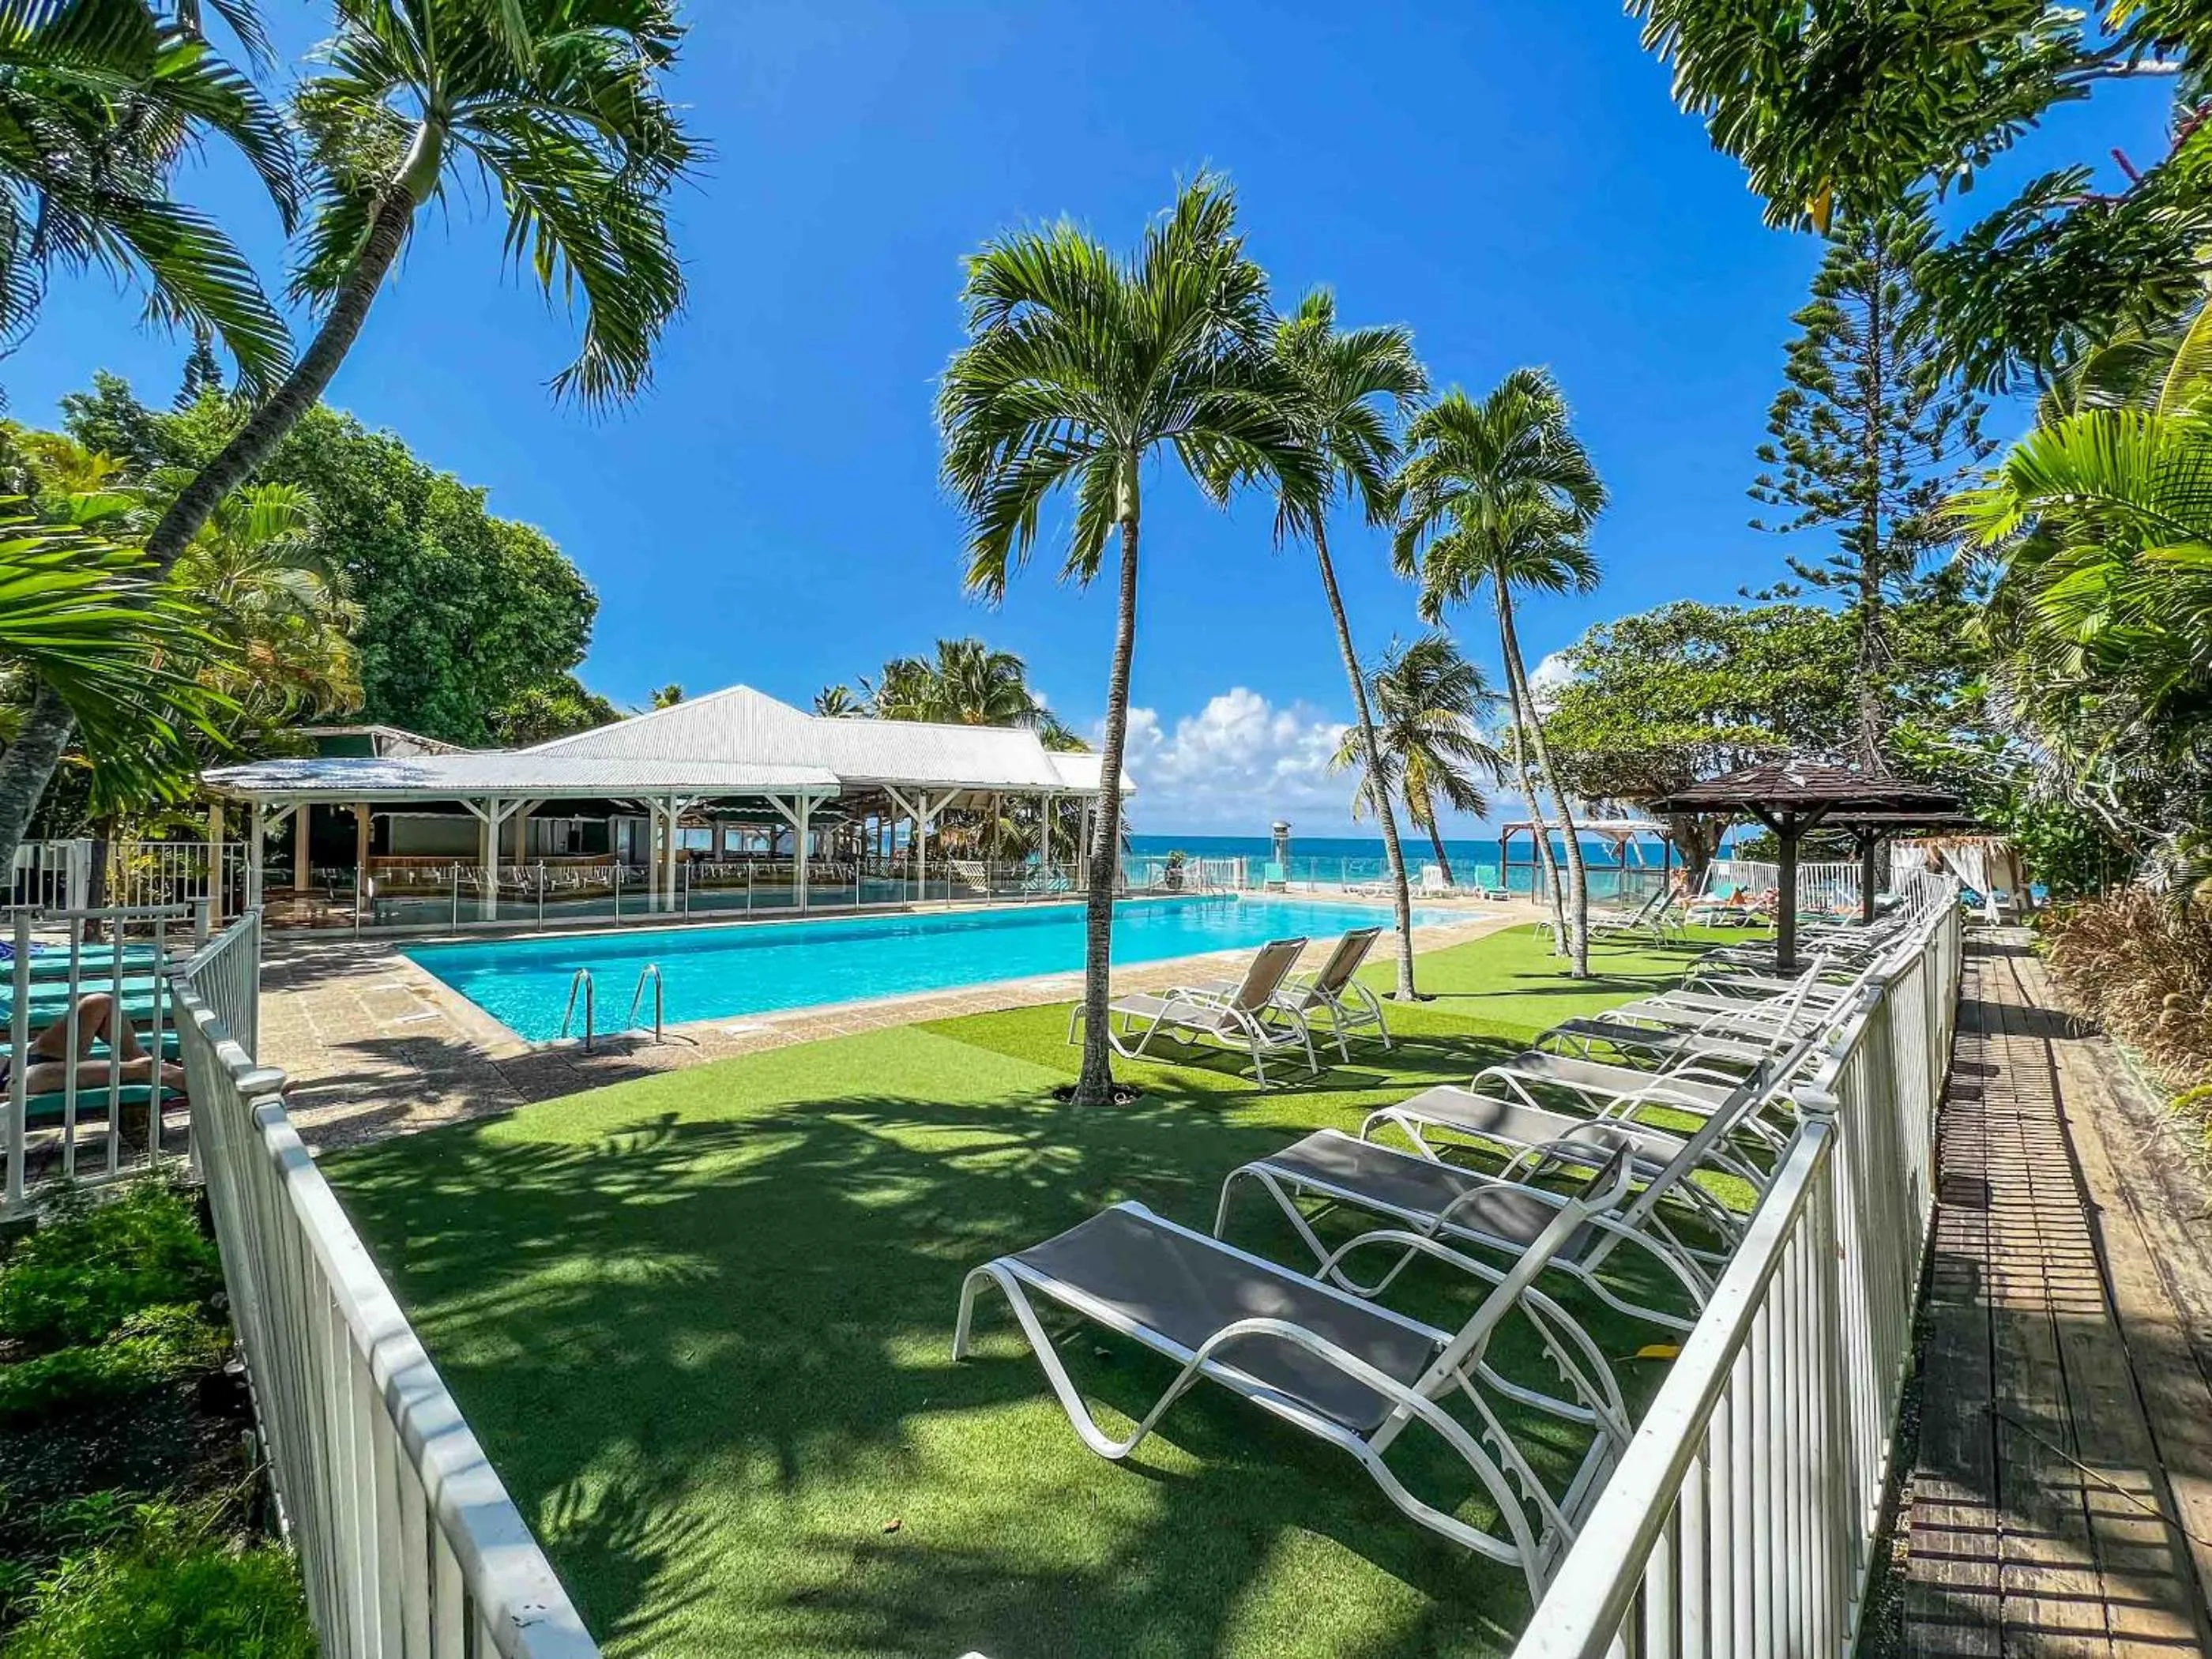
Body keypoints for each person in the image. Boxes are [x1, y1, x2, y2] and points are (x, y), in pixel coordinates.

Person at [0, 993, 187, 1100]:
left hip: (17, 1063)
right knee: (36, 1075)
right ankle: (155, 1072)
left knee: (99, 1003)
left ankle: (143, 1061)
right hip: (15, 1083)